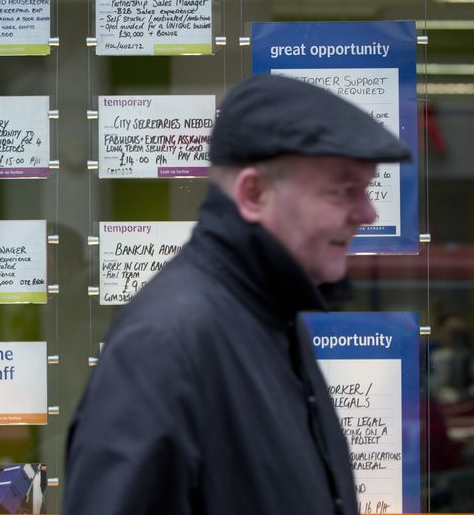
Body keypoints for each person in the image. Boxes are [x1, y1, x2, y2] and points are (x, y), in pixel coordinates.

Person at [63, 75, 412, 515]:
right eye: (344, 191)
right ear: (253, 193)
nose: (367, 213)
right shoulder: (165, 342)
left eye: (366, 189)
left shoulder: (271, 314)